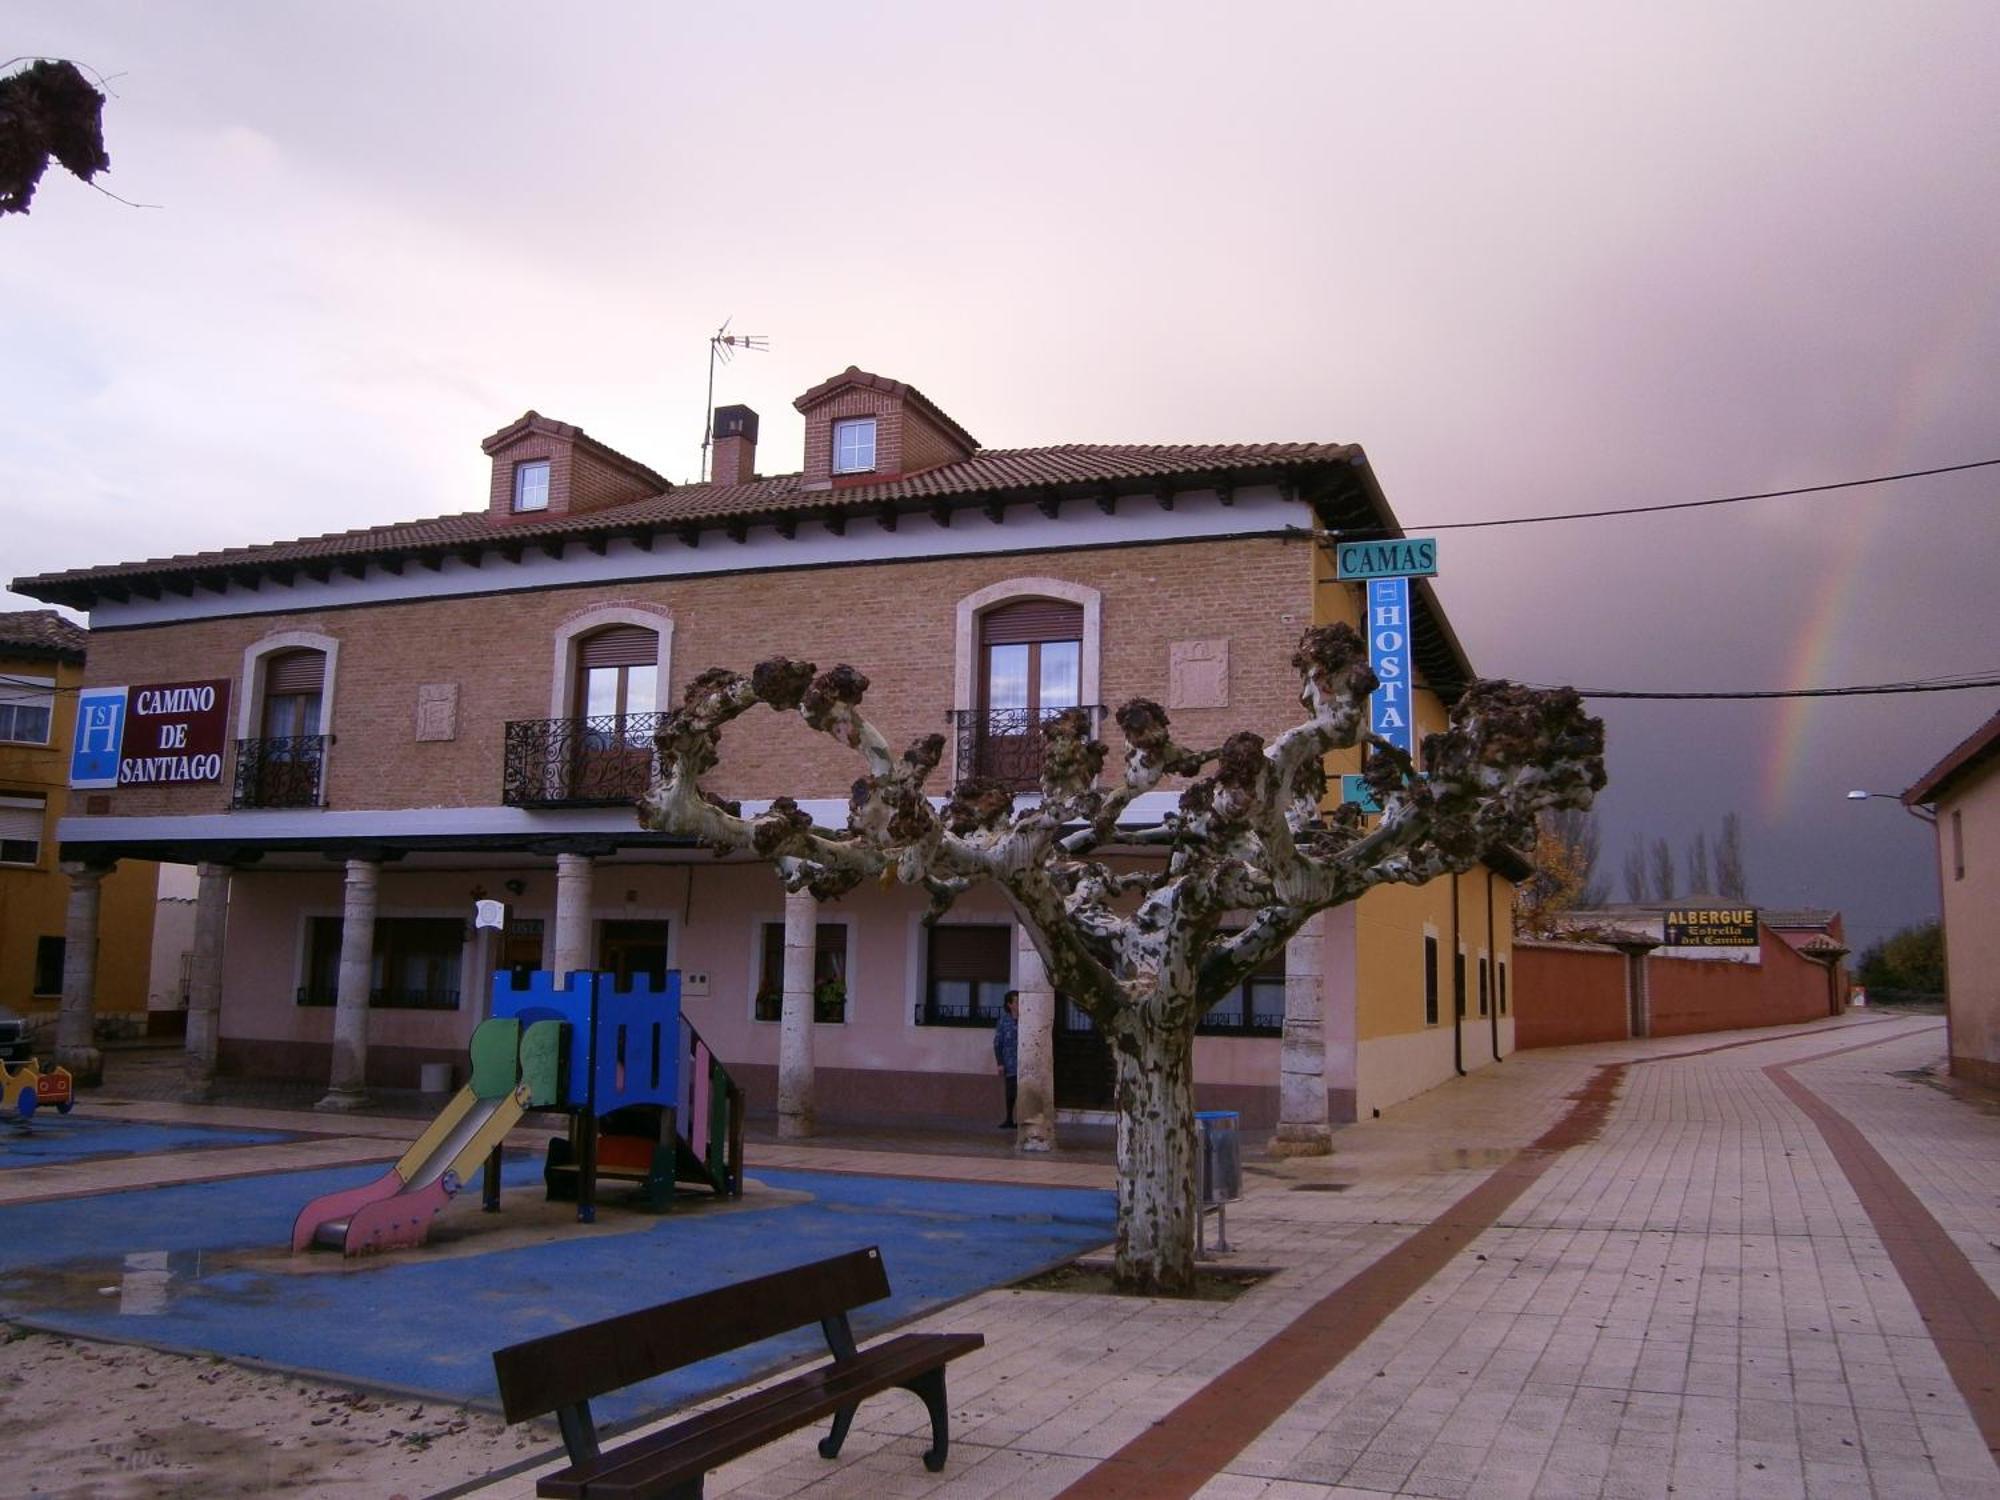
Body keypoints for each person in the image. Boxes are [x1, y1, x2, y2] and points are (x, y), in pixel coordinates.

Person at [993, 990, 1020, 1129]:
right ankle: (1009, 1118)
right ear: (1010, 1004)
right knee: (1011, 1091)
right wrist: (1000, 1063)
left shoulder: (1026, 1019)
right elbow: (998, 1043)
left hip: (1025, 1062)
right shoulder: (1003, 1020)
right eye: (1016, 1001)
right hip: (1010, 1062)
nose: (1019, 1004)